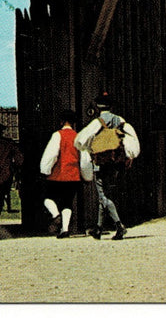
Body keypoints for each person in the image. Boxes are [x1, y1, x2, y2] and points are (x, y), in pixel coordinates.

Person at [74, 92, 140, 240]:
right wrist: (130, 156)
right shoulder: (120, 121)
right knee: (104, 195)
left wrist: (88, 149)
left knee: (103, 196)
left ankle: (119, 226)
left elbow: (80, 141)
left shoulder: (97, 123)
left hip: (101, 163)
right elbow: (132, 140)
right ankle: (98, 229)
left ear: (98, 107)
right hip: (115, 163)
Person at [39, 109, 82, 238]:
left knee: (47, 198)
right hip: (74, 175)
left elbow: (51, 154)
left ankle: (56, 215)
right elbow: (84, 158)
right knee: (67, 202)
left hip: (59, 174)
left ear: (62, 121)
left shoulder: (57, 135)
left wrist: (45, 170)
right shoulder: (78, 137)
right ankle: (65, 229)